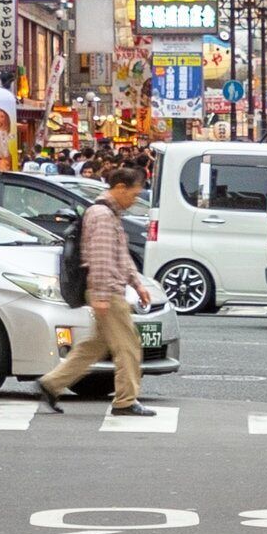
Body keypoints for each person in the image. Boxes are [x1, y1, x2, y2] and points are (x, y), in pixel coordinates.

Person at [35, 163, 155, 416]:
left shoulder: (108, 214)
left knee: (96, 345)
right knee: (128, 346)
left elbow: (120, 256)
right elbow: (100, 259)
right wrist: (101, 295)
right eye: (133, 194)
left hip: (107, 290)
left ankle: (51, 383)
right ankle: (125, 401)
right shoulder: (102, 216)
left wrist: (137, 283)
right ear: (120, 187)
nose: (134, 201)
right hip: (108, 292)